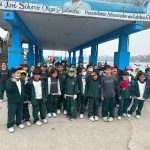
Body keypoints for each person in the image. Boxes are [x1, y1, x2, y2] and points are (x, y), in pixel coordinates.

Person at [6, 67, 26, 133]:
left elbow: (23, 90)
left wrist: (24, 97)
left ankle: (18, 122)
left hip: (20, 100)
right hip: (12, 101)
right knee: (11, 113)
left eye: (20, 73)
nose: (19, 74)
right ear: (13, 74)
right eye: (18, 73)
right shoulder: (9, 81)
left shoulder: (21, 80)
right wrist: (13, 83)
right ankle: (10, 125)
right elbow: (9, 90)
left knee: (19, 112)